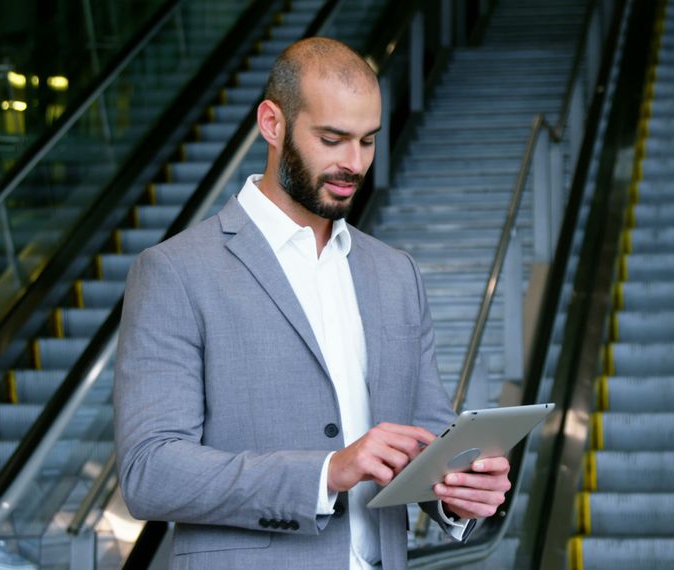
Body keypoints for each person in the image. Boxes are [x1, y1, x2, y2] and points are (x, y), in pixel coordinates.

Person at [113, 37, 511, 569]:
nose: (354, 163)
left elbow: (428, 439)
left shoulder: (396, 274)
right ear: (272, 124)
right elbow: (150, 472)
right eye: (332, 138)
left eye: (368, 141)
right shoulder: (175, 272)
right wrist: (326, 473)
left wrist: (461, 489)